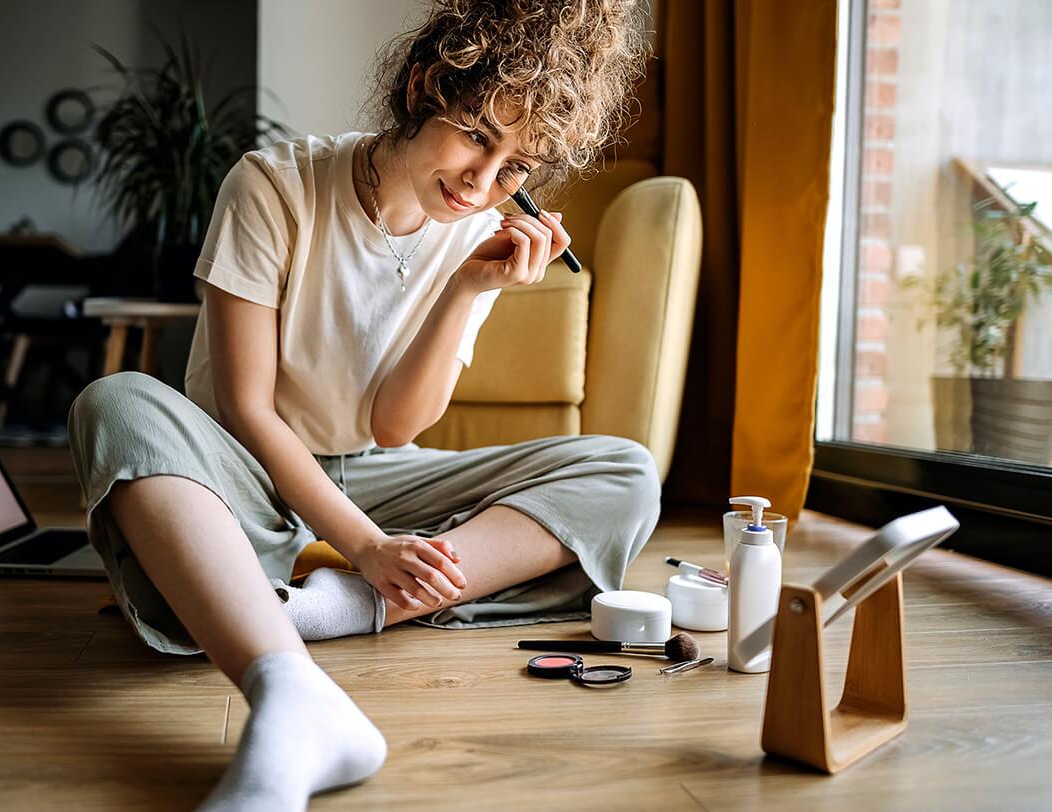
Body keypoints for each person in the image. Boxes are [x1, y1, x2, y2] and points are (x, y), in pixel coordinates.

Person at [68, 1, 655, 809]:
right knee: (116, 402)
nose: (484, 181)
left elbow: (393, 427)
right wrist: (369, 543)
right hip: (237, 472)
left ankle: (320, 609)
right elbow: (246, 408)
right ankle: (288, 686)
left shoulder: (474, 232)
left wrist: (467, 287)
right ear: (423, 87)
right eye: (479, 134)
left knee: (623, 469)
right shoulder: (273, 184)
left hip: (375, 470)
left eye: (517, 168)